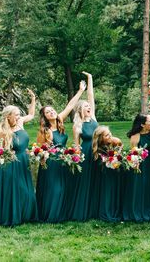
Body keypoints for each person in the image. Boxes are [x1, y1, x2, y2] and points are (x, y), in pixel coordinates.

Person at [35, 81, 86, 223]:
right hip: (51, 162)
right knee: (54, 189)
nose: (51, 112)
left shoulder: (60, 120)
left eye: (52, 110)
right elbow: (40, 149)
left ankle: (62, 214)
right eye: (47, 112)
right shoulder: (45, 131)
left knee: (64, 187)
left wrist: (80, 91)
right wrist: (44, 158)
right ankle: (51, 215)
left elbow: (70, 105)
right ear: (44, 117)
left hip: (63, 160)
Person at [0, 90, 38, 226]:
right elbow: (2, 151)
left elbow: (31, 114)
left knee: (27, 191)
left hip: (24, 161)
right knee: (16, 190)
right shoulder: (4, 131)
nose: (18, 116)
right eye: (16, 115)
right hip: (12, 163)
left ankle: (25, 215)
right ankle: (11, 216)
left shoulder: (21, 123)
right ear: (9, 116)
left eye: (18, 114)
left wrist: (33, 99)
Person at [66, 71, 99, 221]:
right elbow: (76, 144)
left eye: (89, 106)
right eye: (85, 106)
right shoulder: (77, 126)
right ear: (80, 110)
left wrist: (90, 78)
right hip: (86, 154)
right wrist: (77, 158)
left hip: (99, 151)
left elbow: (91, 95)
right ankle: (84, 210)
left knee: (98, 180)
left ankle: (96, 210)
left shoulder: (93, 117)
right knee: (85, 182)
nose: (88, 107)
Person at [122, 114, 150, 222]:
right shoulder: (136, 136)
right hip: (139, 164)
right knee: (139, 186)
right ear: (143, 124)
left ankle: (149, 210)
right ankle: (136, 210)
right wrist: (136, 161)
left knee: (149, 185)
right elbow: (133, 152)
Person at [92, 126, 123, 222]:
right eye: (106, 135)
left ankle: (115, 210)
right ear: (101, 138)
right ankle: (106, 211)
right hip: (105, 173)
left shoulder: (114, 142)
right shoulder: (98, 149)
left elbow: (119, 150)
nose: (110, 136)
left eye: (109, 133)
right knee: (107, 191)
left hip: (115, 171)